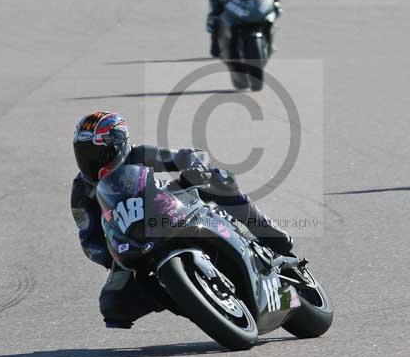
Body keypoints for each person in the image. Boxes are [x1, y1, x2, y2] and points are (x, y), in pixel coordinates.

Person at [70, 110, 293, 328]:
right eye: (84, 153)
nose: (91, 161)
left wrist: (195, 168)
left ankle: (268, 232)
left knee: (218, 179)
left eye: (97, 154)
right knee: (113, 304)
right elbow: (89, 239)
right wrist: (111, 256)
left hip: (171, 211)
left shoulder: (139, 154)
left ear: (118, 146)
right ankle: (193, 302)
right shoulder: (81, 191)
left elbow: (186, 156)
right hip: (132, 243)